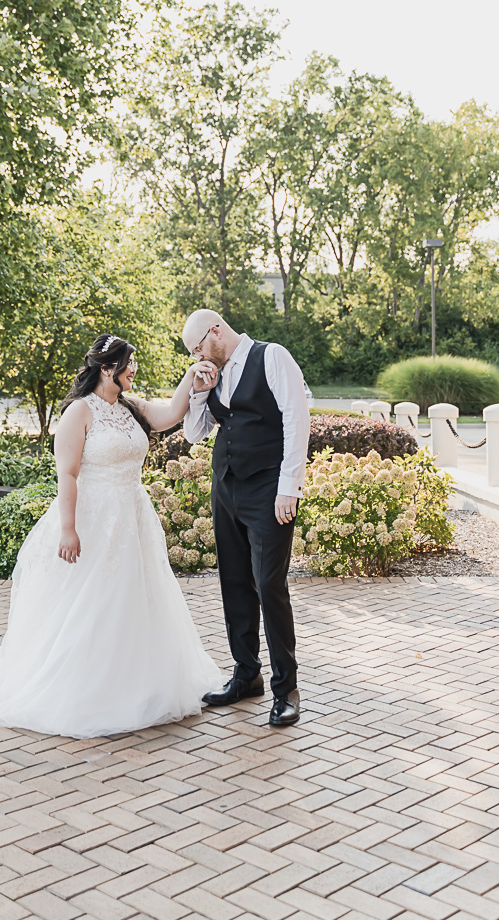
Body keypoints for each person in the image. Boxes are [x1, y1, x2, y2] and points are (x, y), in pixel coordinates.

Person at [0, 334, 221, 739]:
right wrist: (68, 528)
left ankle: (139, 681)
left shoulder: (131, 407)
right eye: (128, 364)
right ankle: (90, 685)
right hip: (94, 517)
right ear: (106, 368)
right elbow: (68, 474)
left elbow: (170, 415)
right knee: (94, 599)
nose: (133, 371)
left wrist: (190, 377)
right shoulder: (79, 412)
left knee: (135, 596)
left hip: (133, 515)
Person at [182, 310, 310, 728]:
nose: (198, 355)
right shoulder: (213, 374)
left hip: (268, 490)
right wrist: (200, 391)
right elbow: (194, 434)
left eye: (198, 347)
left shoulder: (272, 357)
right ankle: (245, 675)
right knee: (234, 581)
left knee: (269, 584)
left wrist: (288, 487)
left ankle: (285, 689)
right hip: (228, 489)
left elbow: (296, 419)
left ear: (215, 330)